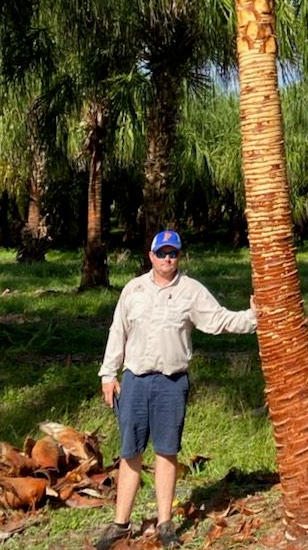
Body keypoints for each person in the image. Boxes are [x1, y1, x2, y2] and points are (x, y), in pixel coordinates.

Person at [94, 229, 257, 549]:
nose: (168, 258)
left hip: (172, 382)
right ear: (151, 255)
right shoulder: (134, 289)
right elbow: (118, 331)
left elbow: (219, 321)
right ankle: (120, 523)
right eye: (162, 253)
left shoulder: (191, 291)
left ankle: (166, 523)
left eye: (174, 253)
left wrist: (255, 317)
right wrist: (107, 375)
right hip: (136, 381)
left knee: (167, 451)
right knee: (130, 453)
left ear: (178, 257)